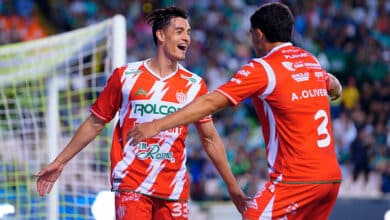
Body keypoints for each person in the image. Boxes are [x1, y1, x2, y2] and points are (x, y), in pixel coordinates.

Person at [127, 2, 343, 220]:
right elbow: (332, 83)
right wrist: (336, 87)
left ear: (258, 34)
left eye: (251, 34)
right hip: (330, 180)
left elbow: (211, 102)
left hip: (295, 181)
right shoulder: (310, 61)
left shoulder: (264, 68)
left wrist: (156, 125)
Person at [36, 6, 248, 219]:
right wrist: (60, 161)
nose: (187, 38)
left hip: (174, 189)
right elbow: (95, 123)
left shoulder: (194, 85)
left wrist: (232, 186)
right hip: (132, 184)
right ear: (161, 35)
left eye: (189, 32)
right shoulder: (126, 76)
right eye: (180, 31)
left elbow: (209, 138)